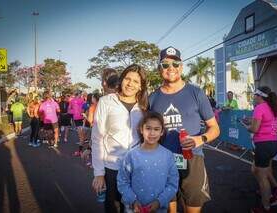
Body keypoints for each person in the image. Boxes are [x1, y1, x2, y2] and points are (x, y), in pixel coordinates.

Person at [149, 46, 220, 213]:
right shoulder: (152, 98)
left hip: (192, 160)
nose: (171, 68)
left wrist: (199, 139)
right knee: (168, 208)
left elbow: (214, 128)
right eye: (165, 64)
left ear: (181, 67)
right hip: (163, 161)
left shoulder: (196, 92)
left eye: (175, 64)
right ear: (160, 68)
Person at [91, 64, 148, 213]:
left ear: (141, 86)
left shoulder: (145, 106)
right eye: (127, 79)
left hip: (138, 168)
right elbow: (97, 138)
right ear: (121, 80)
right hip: (112, 168)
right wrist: (99, 173)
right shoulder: (106, 101)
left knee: (134, 208)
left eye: (136, 81)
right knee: (114, 208)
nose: (130, 84)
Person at [117, 111, 179, 212]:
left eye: (156, 129)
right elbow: (122, 181)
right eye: (148, 128)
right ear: (141, 129)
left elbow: (172, 183)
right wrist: (133, 201)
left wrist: (159, 202)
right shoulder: (131, 155)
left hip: (159, 209)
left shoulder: (168, 156)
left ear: (162, 132)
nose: (152, 133)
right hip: (134, 209)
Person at [243, 86, 277, 213]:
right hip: (273, 144)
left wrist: (247, 126)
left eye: (255, 95)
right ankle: (273, 192)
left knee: (262, 178)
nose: (253, 98)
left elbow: (254, 129)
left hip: (263, 146)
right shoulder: (273, 108)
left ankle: (266, 206)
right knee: (256, 169)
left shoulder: (259, 107)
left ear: (259, 96)